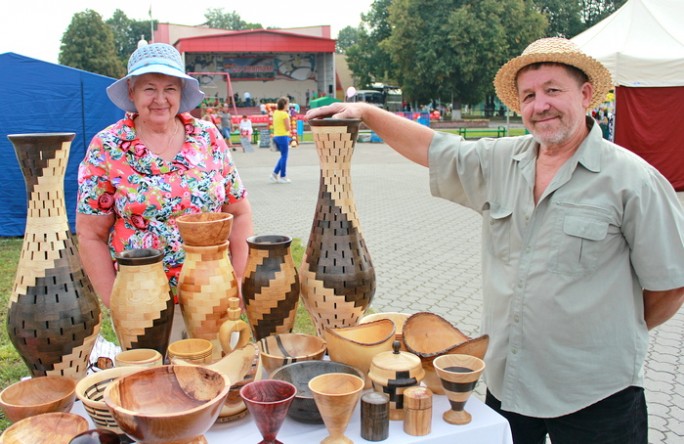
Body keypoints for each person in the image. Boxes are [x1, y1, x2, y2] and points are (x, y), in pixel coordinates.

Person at [306, 37, 684, 444]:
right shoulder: (502, 162)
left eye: (553, 90)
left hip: (596, 392)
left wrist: (609, 332)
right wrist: (365, 111)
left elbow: (670, 285)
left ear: (587, 94)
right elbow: (434, 149)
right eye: (529, 95)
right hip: (510, 383)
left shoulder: (633, 180)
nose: (541, 105)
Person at [76, 43, 254, 319]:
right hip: (141, 301)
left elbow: (239, 212)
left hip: (213, 293)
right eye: (149, 88)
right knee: (154, 364)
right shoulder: (107, 146)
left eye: (169, 88)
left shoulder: (208, 137)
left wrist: (241, 277)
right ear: (132, 92)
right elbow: (90, 234)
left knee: (211, 362)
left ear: (181, 93)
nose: (160, 99)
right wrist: (116, 301)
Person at [269, 96, 292, 184]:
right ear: (285, 104)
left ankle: (275, 174)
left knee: (283, 156)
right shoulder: (284, 114)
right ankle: (283, 176)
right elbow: (287, 127)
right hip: (283, 136)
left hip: (277, 135)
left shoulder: (276, 112)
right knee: (284, 156)